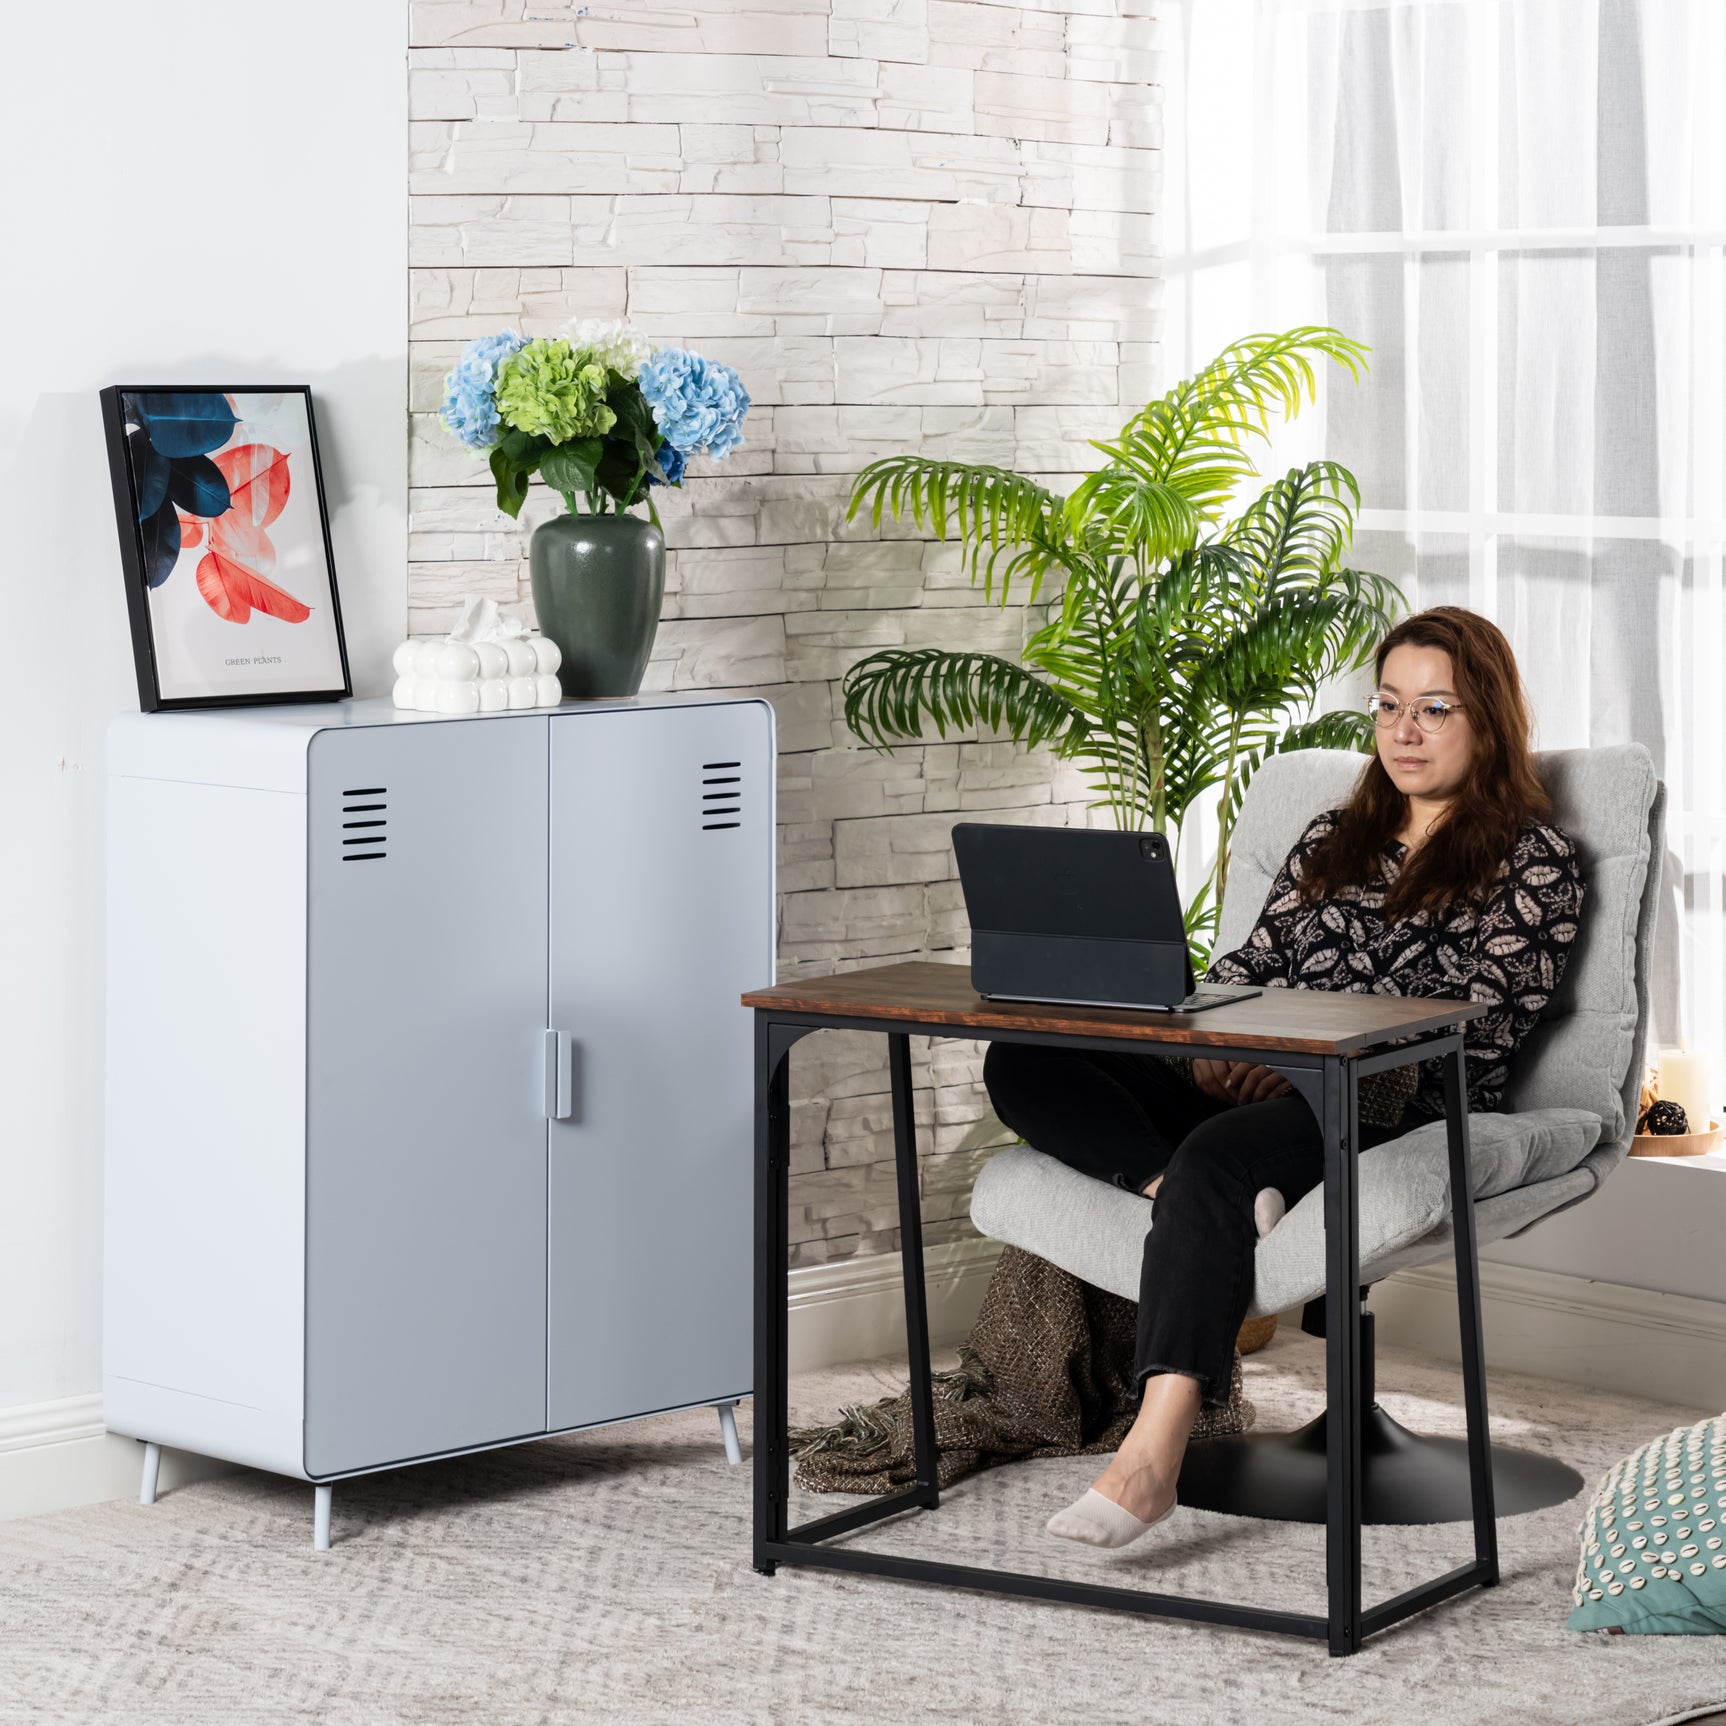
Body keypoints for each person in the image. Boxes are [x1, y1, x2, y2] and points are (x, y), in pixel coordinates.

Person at [981, 606, 1586, 1549]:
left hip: (1385, 1099)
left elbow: (1482, 1028)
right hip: (1251, 1076)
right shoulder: (1330, 838)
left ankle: (1151, 1458)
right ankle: (1162, 1183)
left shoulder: (1534, 862)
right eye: (1389, 706)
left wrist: (1296, 1062)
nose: (1404, 731)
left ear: (1489, 722)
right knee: (1026, 1057)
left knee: (1221, 1159)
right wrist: (1215, 1045)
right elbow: (1240, 974)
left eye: (1435, 709)